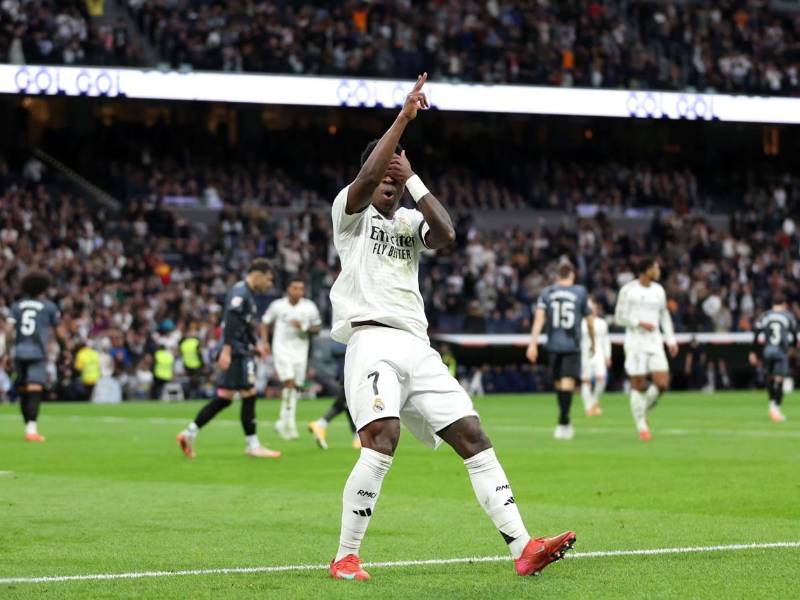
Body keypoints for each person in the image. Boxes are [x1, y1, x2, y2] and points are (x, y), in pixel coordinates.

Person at [327, 73, 574, 582]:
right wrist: (402, 119)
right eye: (384, 182)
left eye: (396, 185)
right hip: (371, 340)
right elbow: (369, 180)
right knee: (382, 437)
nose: (390, 190)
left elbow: (447, 233)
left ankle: (523, 548)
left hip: (417, 346)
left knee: (473, 435)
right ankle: (346, 556)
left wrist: (415, 179)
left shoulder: (407, 223)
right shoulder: (349, 214)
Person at [176, 258, 280, 459]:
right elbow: (231, 321)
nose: (270, 284)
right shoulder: (241, 292)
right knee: (248, 394)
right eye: (268, 279)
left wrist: (255, 345)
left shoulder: (247, 293)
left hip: (241, 349)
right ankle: (253, 445)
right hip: (237, 352)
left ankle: (189, 433)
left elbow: (245, 325)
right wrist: (227, 350)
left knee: (225, 398)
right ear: (257, 275)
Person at [527, 260, 594, 440]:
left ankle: (563, 422)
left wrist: (532, 343)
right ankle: (564, 420)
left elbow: (539, 319)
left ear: (557, 276)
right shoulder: (580, 292)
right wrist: (593, 341)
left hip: (553, 344)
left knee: (560, 383)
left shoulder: (547, 292)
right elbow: (589, 320)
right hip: (572, 343)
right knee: (565, 384)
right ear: (572, 274)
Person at [614, 257, 678, 441]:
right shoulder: (628, 290)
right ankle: (642, 426)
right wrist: (638, 323)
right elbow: (619, 317)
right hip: (635, 342)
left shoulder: (659, 290)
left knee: (662, 383)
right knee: (639, 384)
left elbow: (664, 315)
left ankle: (641, 411)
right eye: (655, 268)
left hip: (655, 342)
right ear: (646, 270)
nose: (658, 270)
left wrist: (670, 339)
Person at [261, 276, 322, 440]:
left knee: (294, 387)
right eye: (295, 288)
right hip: (281, 349)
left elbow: (317, 328)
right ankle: (290, 424)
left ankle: (283, 422)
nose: (298, 291)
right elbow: (265, 322)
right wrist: (265, 342)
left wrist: (304, 327)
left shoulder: (309, 307)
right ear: (288, 289)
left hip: (300, 351)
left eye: (301, 288)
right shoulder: (278, 306)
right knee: (288, 381)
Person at [6, 270, 61, 442]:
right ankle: (32, 430)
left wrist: (7, 352)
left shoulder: (16, 306)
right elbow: (58, 331)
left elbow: (8, 331)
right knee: (35, 388)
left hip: (19, 351)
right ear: (43, 287)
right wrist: (65, 348)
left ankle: (28, 428)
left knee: (23, 390)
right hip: (37, 352)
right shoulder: (49, 306)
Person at [749, 293, 797, 422]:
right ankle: (776, 409)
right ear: (784, 303)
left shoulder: (765, 315)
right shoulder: (788, 316)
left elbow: (756, 333)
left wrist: (753, 352)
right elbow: (794, 334)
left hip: (768, 350)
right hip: (781, 351)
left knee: (770, 378)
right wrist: (793, 349)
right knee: (779, 380)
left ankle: (772, 405)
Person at [580, 298, 611, 417]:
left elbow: (606, 341)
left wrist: (607, 356)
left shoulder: (602, 323)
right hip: (585, 354)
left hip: (599, 354)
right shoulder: (581, 323)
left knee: (601, 379)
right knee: (586, 381)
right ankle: (588, 407)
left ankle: (594, 401)